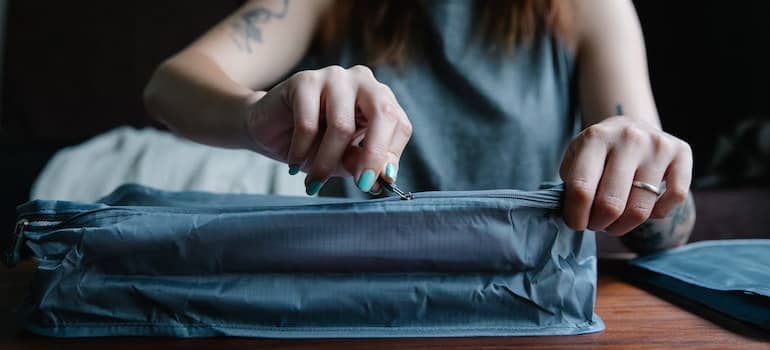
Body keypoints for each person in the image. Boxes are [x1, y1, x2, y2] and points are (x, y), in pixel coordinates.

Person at [143, 0, 695, 254]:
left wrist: (648, 185)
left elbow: (668, 210)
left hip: (526, 305)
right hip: (354, 299)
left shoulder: (589, 9)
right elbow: (170, 84)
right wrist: (252, 116)